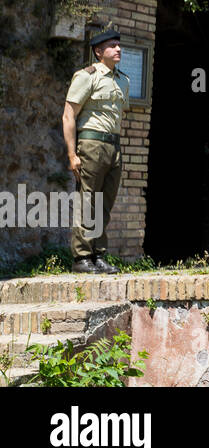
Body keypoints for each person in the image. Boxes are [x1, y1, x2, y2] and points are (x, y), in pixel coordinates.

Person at [63, 28, 130, 274]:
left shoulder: (123, 80)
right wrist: (72, 154)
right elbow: (68, 114)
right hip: (90, 143)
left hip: (113, 146)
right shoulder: (86, 76)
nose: (118, 49)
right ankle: (81, 257)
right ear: (98, 51)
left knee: (104, 203)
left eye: (119, 45)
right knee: (88, 200)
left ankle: (98, 255)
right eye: (112, 45)